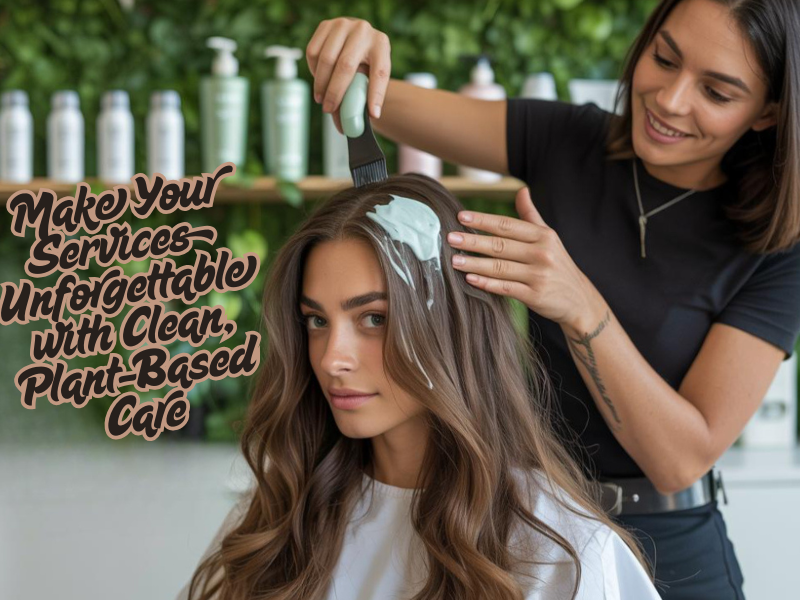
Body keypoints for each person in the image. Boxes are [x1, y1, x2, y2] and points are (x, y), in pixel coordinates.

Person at [304, 0, 800, 598]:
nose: (670, 99)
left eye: (716, 93)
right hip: (533, 532)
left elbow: (680, 459)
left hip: (675, 553)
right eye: (663, 59)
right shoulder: (568, 142)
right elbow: (369, 95)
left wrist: (580, 305)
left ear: (769, 111)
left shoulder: (779, 248)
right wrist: (352, 54)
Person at [177, 175, 662, 599]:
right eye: (316, 320)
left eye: (373, 318)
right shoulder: (282, 515)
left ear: (452, 330)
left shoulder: (560, 551)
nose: (331, 358)